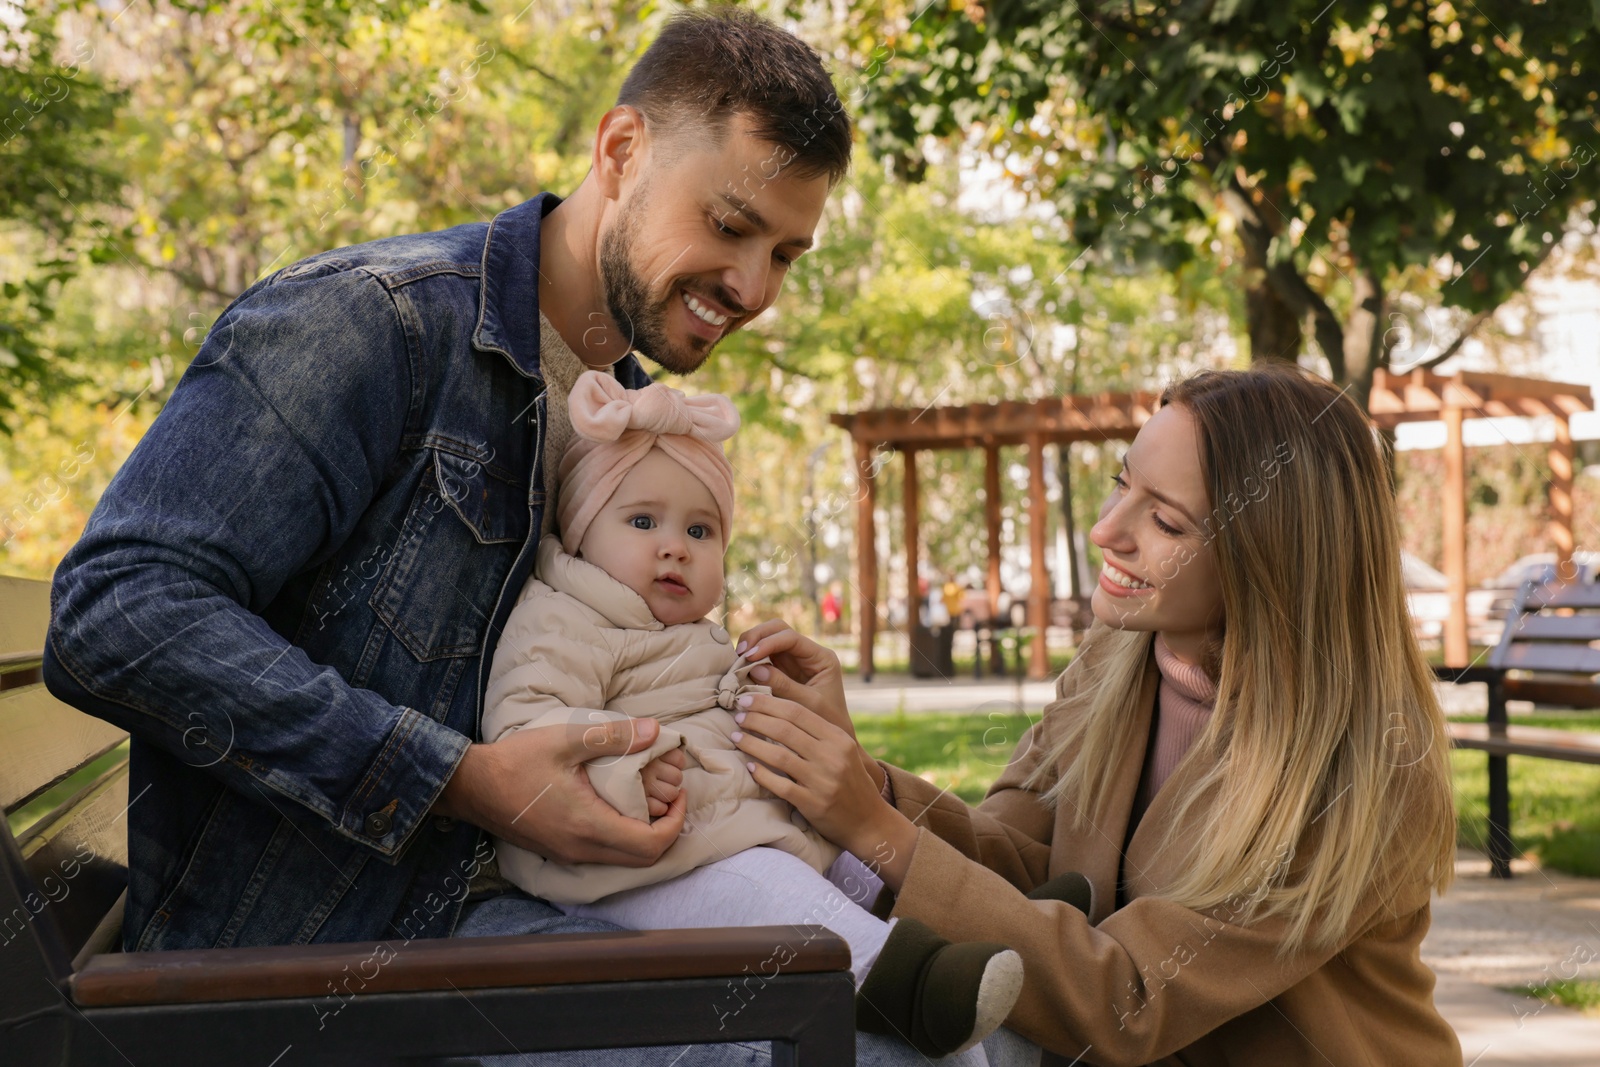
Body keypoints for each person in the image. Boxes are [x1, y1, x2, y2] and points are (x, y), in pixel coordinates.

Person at [41, 9, 983, 1066]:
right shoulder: (373, 324)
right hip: (331, 961)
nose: (754, 287)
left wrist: (751, 706)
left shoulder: (624, 419)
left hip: (540, 912)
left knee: (961, 1034)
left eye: (784, 254)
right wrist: (456, 777)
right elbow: (113, 609)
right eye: (728, 225)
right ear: (620, 151)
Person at [722, 363, 1463, 1065]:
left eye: (1167, 523)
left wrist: (874, 831)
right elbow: (1016, 871)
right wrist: (857, 778)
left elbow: (1129, 998)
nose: (1107, 530)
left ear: (1273, 559)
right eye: (1121, 484)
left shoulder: (1356, 767)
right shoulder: (1117, 660)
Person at [484, 371, 1023, 1058]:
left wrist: (757, 690)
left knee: (855, 863)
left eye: (700, 529)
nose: (673, 545)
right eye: (642, 520)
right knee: (771, 892)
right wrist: (625, 777)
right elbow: (525, 727)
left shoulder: (686, 631)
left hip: (724, 832)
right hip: (629, 868)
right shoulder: (564, 617)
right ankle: (900, 979)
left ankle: (998, 919)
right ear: (582, 530)